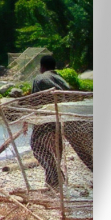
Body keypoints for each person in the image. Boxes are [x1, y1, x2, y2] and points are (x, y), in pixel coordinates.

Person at [28, 54, 93, 187]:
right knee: (80, 150)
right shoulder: (61, 79)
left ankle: (55, 177)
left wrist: (30, 119)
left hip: (48, 119)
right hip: (68, 119)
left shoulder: (40, 78)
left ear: (42, 67)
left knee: (37, 146)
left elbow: (35, 101)